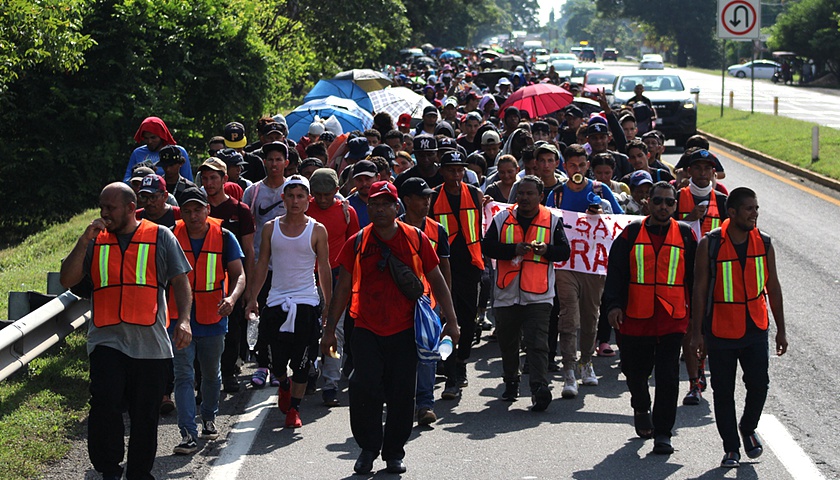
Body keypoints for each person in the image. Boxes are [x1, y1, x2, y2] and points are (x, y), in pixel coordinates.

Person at [321, 181, 459, 475]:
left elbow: (437, 280)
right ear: (367, 207)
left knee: (400, 393)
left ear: (397, 208)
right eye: (374, 204)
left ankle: (394, 452)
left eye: (385, 204)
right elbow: (342, 287)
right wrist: (329, 329)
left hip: (405, 329)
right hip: (366, 328)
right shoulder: (357, 242)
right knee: (363, 388)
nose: (379, 209)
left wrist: (452, 322)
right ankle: (368, 449)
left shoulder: (416, 239)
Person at [59, 182, 193, 480]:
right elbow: (67, 280)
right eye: (102, 207)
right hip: (106, 340)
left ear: (131, 208)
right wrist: (83, 241)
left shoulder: (160, 236)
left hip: (151, 344)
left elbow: (181, 280)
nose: (105, 213)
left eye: (111, 208)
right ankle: (109, 468)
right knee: (105, 405)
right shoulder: (94, 240)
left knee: (145, 415)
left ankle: (138, 473)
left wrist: (183, 320)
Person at [688, 187, 787, 468]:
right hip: (720, 329)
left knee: (759, 384)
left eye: (756, 208)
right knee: (723, 391)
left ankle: (748, 427)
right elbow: (699, 289)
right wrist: (697, 333)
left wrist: (781, 329)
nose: (754, 214)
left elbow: (774, 287)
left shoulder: (764, 242)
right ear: (732, 213)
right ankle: (731, 447)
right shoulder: (711, 244)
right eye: (749, 209)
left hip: (755, 326)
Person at [603, 181, 697, 455]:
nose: (663, 207)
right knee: (635, 373)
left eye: (669, 202)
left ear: (675, 206)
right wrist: (613, 306)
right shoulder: (631, 233)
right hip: (635, 317)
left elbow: (694, 279)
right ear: (648, 203)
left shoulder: (686, 235)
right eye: (658, 201)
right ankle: (641, 406)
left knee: (667, 377)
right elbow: (616, 272)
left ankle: (663, 433)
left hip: (671, 319)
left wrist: (698, 320)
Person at [246, 175, 332, 428]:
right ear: (283, 198)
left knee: (303, 361)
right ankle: (284, 384)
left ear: (308, 200)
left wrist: (327, 303)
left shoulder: (317, 230)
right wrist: (252, 298)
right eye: (290, 196)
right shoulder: (271, 228)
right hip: (276, 301)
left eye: (300, 196)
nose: (295, 201)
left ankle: (294, 409)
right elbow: (263, 264)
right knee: (276, 360)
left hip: (306, 301)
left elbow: (324, 268)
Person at [167, 187, 245, 454]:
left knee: (211, 374)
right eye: (186, 211)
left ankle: (209, 417)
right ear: (181, 213)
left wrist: (232, 299)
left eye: (198, 209)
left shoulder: (224, 236)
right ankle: (187, 433)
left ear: (207, 210)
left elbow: (239, 274)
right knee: (183, 375)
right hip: (178, 317)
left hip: (214, 316)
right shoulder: (170, 236)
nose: (193, 216)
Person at [483, 175, 570, 410]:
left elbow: (564, 252)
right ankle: (511, 381)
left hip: (539, 295)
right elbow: (487, 246)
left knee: (537, 343)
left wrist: (547, 250)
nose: (524, 198)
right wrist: (512, 250)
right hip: (505, 293)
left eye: (530, 194)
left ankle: (539, 388)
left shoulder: (552, 220)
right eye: (521, 193)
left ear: (540, 197)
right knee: (508, 343)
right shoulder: (502, 218)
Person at [548, 145, 623, 399]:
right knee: (569, 315)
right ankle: (569, 370)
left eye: (581, 165)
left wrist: (602, 214)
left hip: (593, 265)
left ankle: (586, 362)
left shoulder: (600, 191)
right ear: (564, 167)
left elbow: (620, 222)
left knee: (591, 316)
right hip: (566, 265)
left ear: (587, 166)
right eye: (572, 166)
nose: (577, 170)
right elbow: (548, 222)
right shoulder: (557, 195)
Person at [430, 150, 485, 399]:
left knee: (468, 320)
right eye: (451, 170)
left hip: (471, 267)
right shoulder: (432, 198)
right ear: (441, 171)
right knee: (447, 322)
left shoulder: (474, 194)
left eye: (460, 170)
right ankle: (451, 376)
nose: (456, 174)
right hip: (442, 269)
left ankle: (461, 361)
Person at [198, 157, 256, 393]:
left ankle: (230, 370)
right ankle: (202, 376)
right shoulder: (196, 207)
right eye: (205, 178)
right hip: (202, 279)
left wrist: (249, 290)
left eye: (213, 178)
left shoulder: (239, 210)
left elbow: (249, 251)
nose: (209, 183)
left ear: (224, 179)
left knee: (232, 328)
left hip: (231, 279)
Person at [676, 148, 729, 405]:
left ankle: (702, 363)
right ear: (689, 171)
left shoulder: (722, 200)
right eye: (697, 167)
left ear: (713, 172)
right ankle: (694, 382)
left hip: (714, 274)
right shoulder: (676, 197)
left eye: (708, 168)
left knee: (708, 330)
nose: (703, 172)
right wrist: (688, 218)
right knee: (689, 329)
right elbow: (665, 230)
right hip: (684, 273)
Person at [398, 177, 451, 426]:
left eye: (428, 197)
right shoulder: (392, 228)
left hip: (428, 302)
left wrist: (444, 304)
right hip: (397, 303)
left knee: (427, 355)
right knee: (400, 356)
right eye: (421, 197)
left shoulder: (437, 229)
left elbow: (444, 269)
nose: (426, 201)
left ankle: (425, 405)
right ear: (406, 200)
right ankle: (400, 403)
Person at [306, 168, 360, 407]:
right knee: (308, 330)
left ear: (337, 191)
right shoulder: (303, 208)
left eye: (328, 194)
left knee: (334, 329)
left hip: (338, 278)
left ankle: (330, 383)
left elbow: (355, 248)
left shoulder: (348, 213)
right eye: (318, 194)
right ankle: (307, 372)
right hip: (307, 277)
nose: (323, 199)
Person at [242, 141, 289, 388]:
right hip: (262, 265)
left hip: (288, 266)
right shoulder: (253, 192)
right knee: (262, 316)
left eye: (278, 159)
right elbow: (247, 227)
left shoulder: (293, 188)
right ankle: (262, 365)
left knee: (284, 318)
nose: (274, 164)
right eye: (269, 159)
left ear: (286, 163)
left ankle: (280, 366)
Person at [123, 116, 193, 183]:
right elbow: (127, 179)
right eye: (146, 138)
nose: (149, 141)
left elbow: (188, 180)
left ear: (161, 136)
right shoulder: (137, 153)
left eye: (153, 137)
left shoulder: (177, 151)